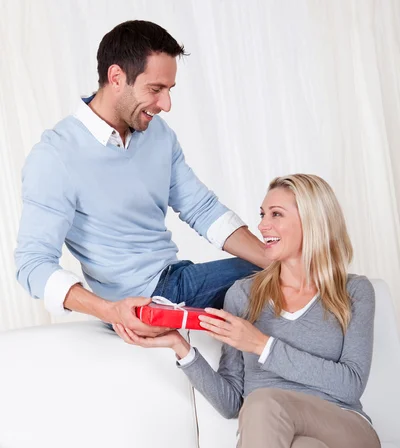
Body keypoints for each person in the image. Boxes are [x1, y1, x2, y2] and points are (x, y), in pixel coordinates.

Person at [123, 173, 382, 448]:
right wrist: (180, 348)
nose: (262, 225)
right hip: (267, 446)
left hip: (347, 433)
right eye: (262, 214)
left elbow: (350, 385)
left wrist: (262, 345)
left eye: (276, 214)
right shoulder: (244, 296)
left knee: (266, 405)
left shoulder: (354, 292)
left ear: (313, 222)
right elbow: (231, 403)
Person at [15, 20, 265, 341]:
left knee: (287, 272)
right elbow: (32, 263)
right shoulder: (56, 155)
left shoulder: (158, 135)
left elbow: (202, 209)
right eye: (155, 89)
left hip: (176, 278)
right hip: (139, 302)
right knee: (282, 278)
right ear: (116, 77)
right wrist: (110, 310)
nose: (166, 105)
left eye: (169, 90)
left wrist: (275, 257)